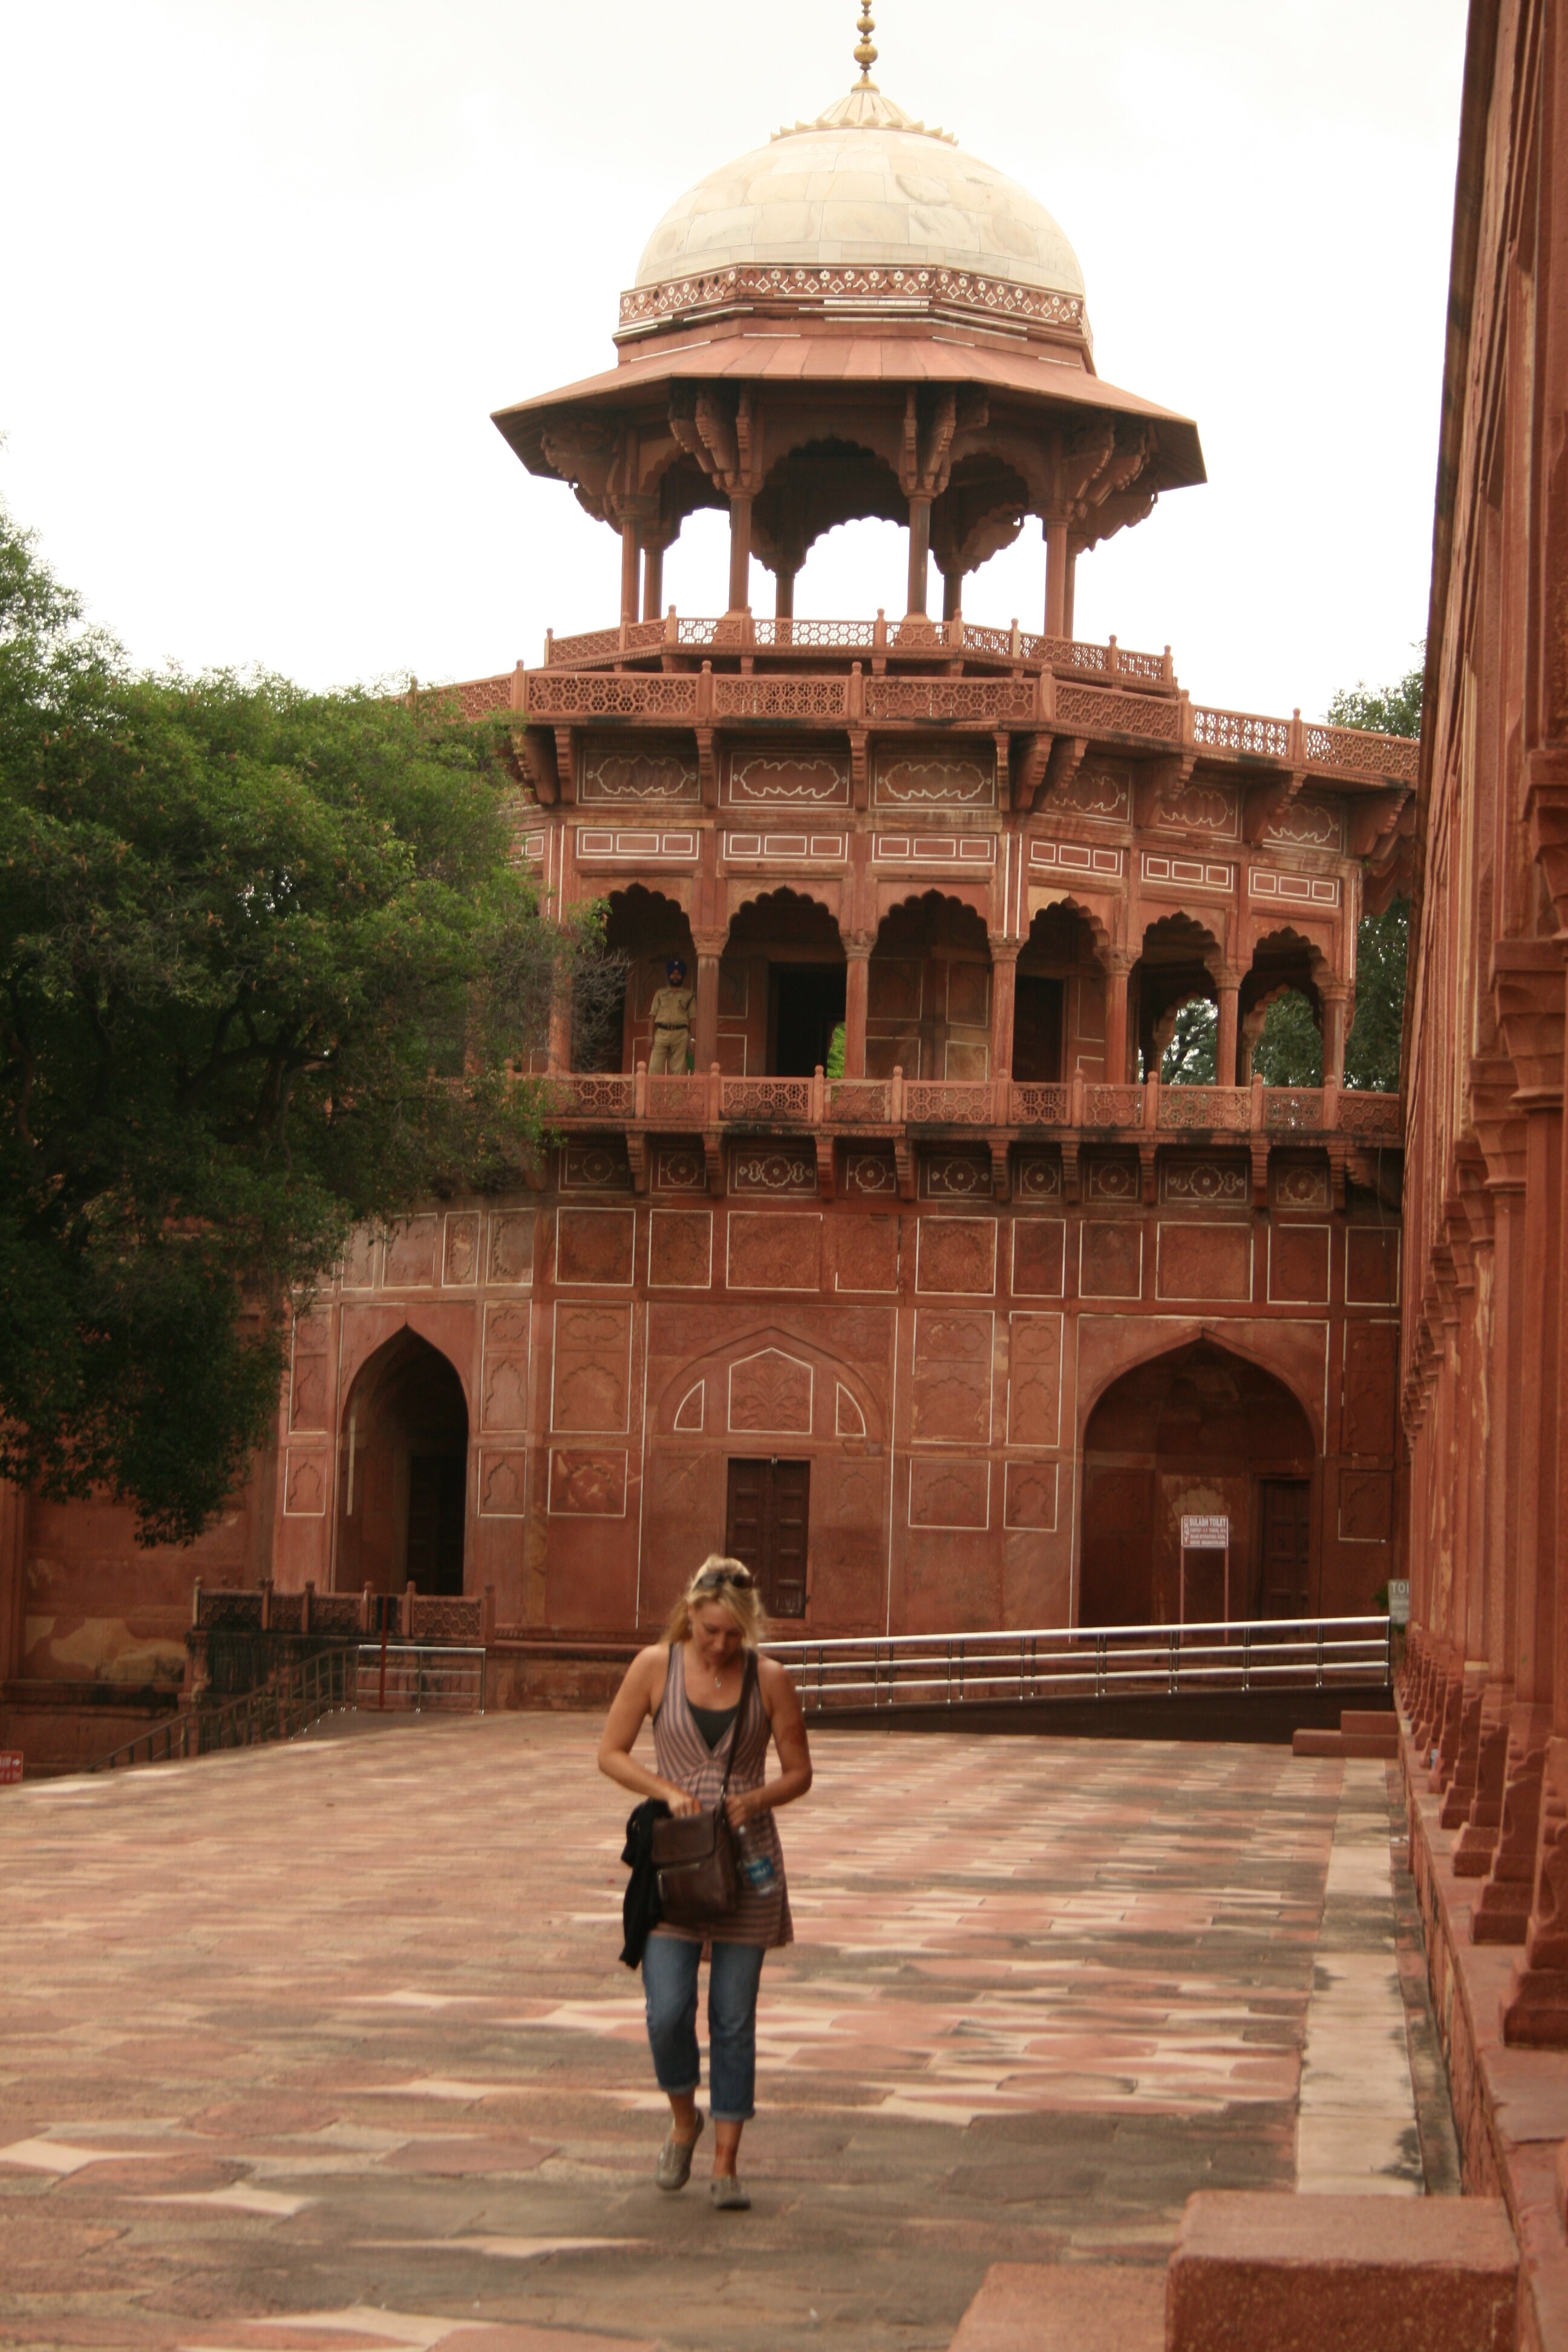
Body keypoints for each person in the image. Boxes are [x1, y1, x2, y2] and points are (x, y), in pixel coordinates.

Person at [597, 1557, 812, 2210]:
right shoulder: (653, 1668)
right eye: (711, 1630)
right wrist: (666, 1790)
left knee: (733, 2016)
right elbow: (610, 1752)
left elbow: (800, 1772)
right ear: (689, 1614)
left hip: (749, 1863)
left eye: (733, 1635)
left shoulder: (770, 1679)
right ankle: (683, 2117)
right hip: (679, 1864)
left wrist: (760, 1797)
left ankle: (726, 2165)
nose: (720, 1645)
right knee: (666, 2012)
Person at [646, 959, 694, 1074]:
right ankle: (653, 1093)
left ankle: (676, 1093)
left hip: (681, 1035)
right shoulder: (660, 993)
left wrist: (693, 1040)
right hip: (661, 1033)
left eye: (678, 974)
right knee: (655, 1068)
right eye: (673, 973)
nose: (675, 976)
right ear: (669, 975)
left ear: (682, 976)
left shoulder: (689, 995)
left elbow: (693, 1018)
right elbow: (652, 1016)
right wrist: (650, 1036)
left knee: (678, 1070)